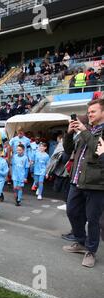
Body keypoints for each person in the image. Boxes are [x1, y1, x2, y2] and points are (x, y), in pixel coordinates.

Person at [62, 99, 104, 268]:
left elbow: (97, 150)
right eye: (88, 112)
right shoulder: (87, 130)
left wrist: (85, 131)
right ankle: (80, 241)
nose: (89, 114)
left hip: (96, 184)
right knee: (72, 211)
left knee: (93, 220)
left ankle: (91, 251)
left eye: (93, 111)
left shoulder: (95, 131)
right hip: (77, 180)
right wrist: (69, 133)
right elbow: (67, 150)